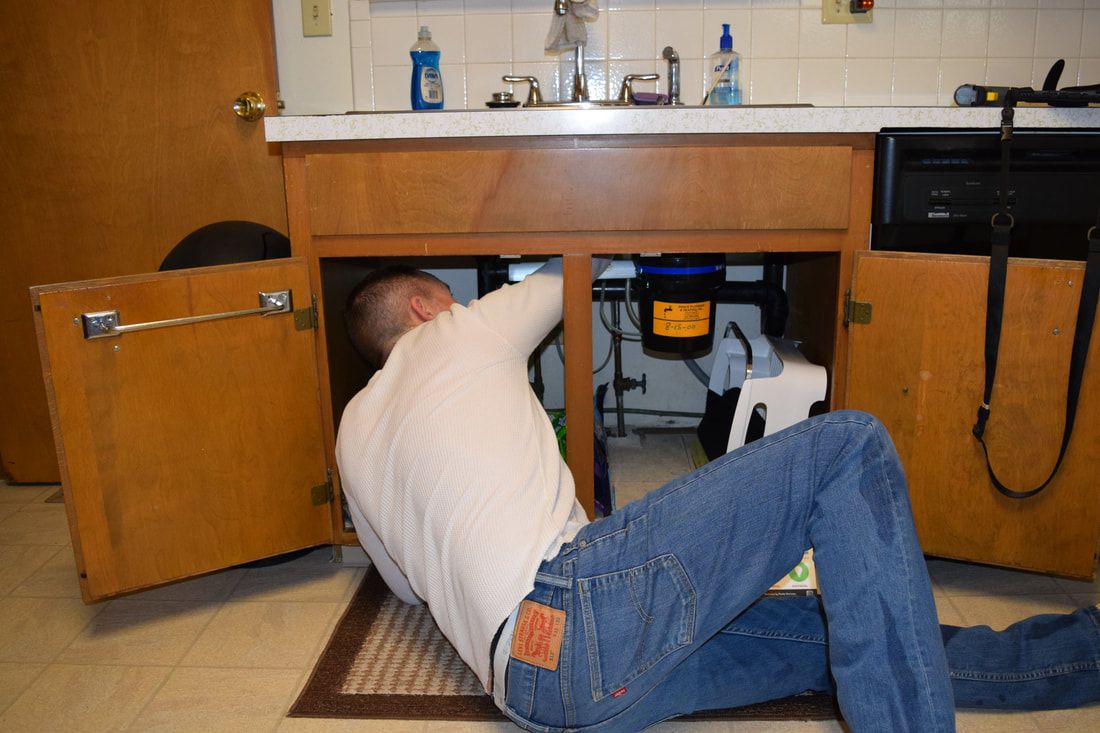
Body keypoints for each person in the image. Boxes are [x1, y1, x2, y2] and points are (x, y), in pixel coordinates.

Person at [336, 258, 1100, 733]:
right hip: (581, 612)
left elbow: (405, 590)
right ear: (426, 307)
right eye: (449, 297)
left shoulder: (352, 435)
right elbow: (571, 264)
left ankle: (1083, 651)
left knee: (840, 628)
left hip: (539, 693)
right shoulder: (457, 332)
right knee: (849, 444)